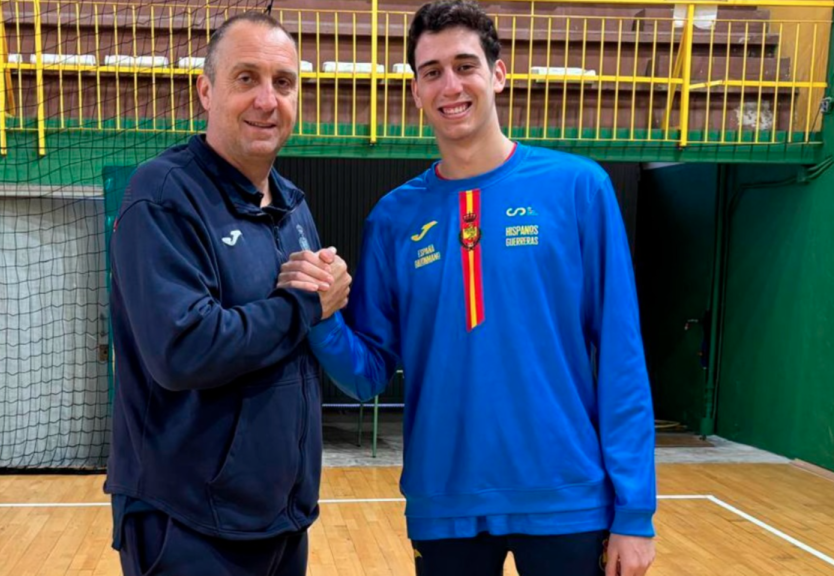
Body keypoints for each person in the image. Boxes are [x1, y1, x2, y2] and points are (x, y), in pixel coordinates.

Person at [279, 1, 657, 575]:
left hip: (567, 500)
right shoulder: (394, 219)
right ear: (415, 91)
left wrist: (635, 511)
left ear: (498, 74)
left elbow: (623, 359)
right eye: (432, 72)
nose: (449, 86)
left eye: (465, 65)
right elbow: (369, 373)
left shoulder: (579, 189)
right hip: (444, 503)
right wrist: (325, 317)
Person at [104, 11, 350, 576]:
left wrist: (331, 295)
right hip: (188, 523)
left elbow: (300, 337)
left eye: (283, 83)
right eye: (247, 78)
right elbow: (183, 347)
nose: (268, 99)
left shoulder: (293, 205)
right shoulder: (163, 195)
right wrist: (307, 304)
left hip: (281, 517)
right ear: (206, 90)